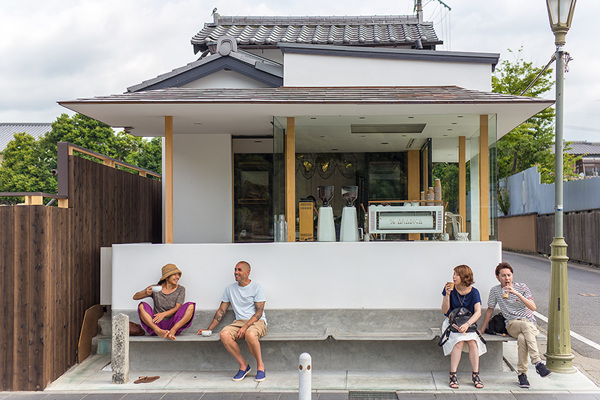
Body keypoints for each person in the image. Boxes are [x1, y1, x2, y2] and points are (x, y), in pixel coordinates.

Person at [479, 262, 552, 388]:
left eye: (509, 275)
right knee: (523, 327)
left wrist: (517, 294)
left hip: (530, 323)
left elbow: (533, 307)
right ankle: (537, 362)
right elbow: (490, 310)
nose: (507, 278)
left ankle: (522, 375)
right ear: (498, 277)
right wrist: (482, 328)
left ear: (512, 275)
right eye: (503, 276)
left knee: (523, 338)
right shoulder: (495, 291)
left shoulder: (522, 287)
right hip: (512, 324)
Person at [198, 261, 267, 382]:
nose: (236, 272)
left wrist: (245, 327)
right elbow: (221, 311)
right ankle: (243, 365)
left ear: (248, 272)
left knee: (250, 334)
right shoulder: (230, 289)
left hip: (257, 322)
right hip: (239, 322)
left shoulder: (257, 287)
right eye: (235, 270)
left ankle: (260, 366)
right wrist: (209, 329)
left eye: (239, 270)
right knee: (224, 334)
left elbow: (258, 313)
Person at [441, 264, 487, 389]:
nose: (454, 277)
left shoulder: (474, 292)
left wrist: (467, 324)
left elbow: (478, 312)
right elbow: (445, 311)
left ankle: (475, 375)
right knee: (459, 342)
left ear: (464, 277)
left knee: (472, 342)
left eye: (457, 274)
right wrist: (447, 295)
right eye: (454, 274)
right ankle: (453, 374)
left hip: (468, 323)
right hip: (452, 323)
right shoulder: (449, 289)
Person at [133, 263, 195, 340]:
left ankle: (172, 331)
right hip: (156, 323)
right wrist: (145, 292)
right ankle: (157, 330)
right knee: (142, 305)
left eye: (178, 275)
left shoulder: (181, 289)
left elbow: (177, 307)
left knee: (191, 305)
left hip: (174, 324)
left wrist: (163, 314)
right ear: (166, 277)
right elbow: (135, 297)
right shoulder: (155, 288)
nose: (178, 277)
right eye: (174, 274)